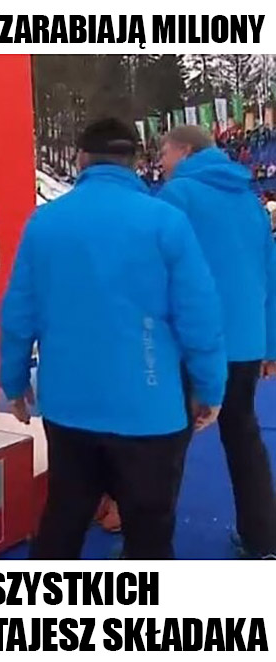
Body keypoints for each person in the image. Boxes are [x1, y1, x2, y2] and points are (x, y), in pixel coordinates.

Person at [0, 118, 227, 560]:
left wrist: (14, 380)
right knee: (149, 532)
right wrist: (209, 387)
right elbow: (199, 315)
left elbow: (19, 311)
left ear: (81, 158)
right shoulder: (166, 222)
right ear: (135, 161)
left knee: (64, 517)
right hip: (149, 407)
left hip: (69, 405)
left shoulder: (46, 222)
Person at [158, 125, 276, 558]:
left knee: (166, 445)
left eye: (164, 152)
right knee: (243, 435)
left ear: (185, 150)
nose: (160, 162)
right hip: (245, 343)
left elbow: (159, 270)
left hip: (191, 342)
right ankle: (263, 539)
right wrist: (271, 346)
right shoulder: (250, 201)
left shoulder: (177, 196)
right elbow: (271, 276)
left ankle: (148, 549)